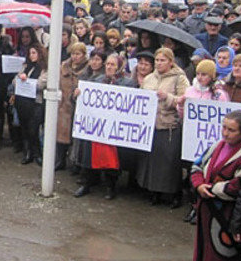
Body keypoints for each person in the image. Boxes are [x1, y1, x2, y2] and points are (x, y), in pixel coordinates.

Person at [74, 54, 135, 199]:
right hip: (96, 128)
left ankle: (111, 186)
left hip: (113, 129)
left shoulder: (128, 83)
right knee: (90, 155)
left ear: (119, 66)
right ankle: (87, 184)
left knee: (111, 158)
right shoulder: (97, 80)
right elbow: (84, 100)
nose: (109, 67)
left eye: (113, 64)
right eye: (107, 64)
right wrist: (76, 95)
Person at [139, 48, 190, 207]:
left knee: (169, 163)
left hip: (169, 125)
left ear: (170, 61)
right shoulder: (148, 78)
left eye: (162, 60)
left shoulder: (179, 78)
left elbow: (185, 101)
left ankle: (175, 194)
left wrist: (167, 97)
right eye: (157, 60)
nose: (159, 63)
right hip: (151, 125)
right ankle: (155, 192)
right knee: (153, 161)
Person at [192, 111, 241, 260]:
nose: (225, 133)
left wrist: (210, 189)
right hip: (205, 213)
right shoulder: (218, 146)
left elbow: (239, 186)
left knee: (221, 253)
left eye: (231, 130)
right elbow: (197, 166)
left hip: (227, 217)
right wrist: (199, 185)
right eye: (224, 128)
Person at [10, 43, 47, 164]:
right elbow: (15, 80)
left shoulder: (44, 68)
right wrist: (20, 78)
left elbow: (41, 84)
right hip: (22, 101)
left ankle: (37, 153)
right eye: (30, 53)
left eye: (34, 53)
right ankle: (28, 152)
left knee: (34, 128)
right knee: (24, 128)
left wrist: (27, 81)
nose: (31, 56)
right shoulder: (25, 65)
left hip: (35, 102)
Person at [56, 42, 89, 170]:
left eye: (78, 54)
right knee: (61, 135)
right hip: (64, 106)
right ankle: (60, 160)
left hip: (79, 108)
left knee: (77, 137)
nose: (75, 57)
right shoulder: (64, 66)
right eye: (73, 54)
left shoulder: (88, 68)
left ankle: (76, 163)